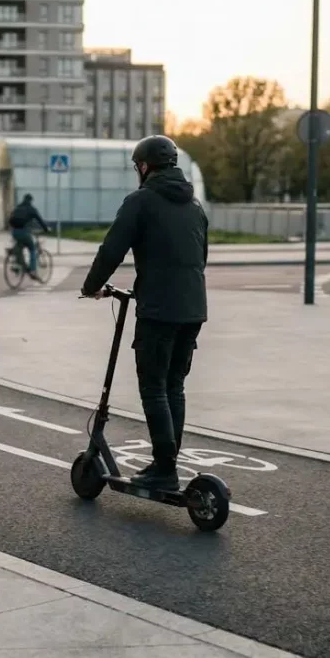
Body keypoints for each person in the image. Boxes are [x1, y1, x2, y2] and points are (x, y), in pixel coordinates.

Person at [80, 136, 209, 491]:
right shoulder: (195, 206)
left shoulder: (141, 202)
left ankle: (165, 469)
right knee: (174, 386)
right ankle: (167, 461)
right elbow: (201, 258)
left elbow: (112, 250)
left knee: (153, 387)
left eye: (137, 166)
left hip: (159, 311)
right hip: (194, 309)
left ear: (145, 166)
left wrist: (91, 286)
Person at [8, 194, 50, 282]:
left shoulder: (18, 207)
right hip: (24, 232)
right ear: (30, 201)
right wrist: (46, 229)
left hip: (14, 232)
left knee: (19, 246)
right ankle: (32, 271)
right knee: (32, 249)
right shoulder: (31, 209)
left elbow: (11, 219)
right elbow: (39, 220)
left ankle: (17, 263)